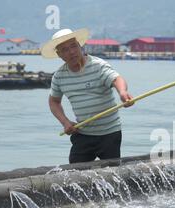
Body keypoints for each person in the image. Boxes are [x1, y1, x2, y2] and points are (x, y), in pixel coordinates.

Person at [41, 28, 133, 163]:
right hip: (83, 133)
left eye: (73, 46)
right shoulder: (59, 76)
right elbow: (54, 102)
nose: (71, 52)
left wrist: (123, 92)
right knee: (74, 173)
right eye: (65, 49)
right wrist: (65, 122)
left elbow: (116, 79)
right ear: (59, 54)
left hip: (110, 132)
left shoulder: (98, 65)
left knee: (112, 172)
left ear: (80, 46)